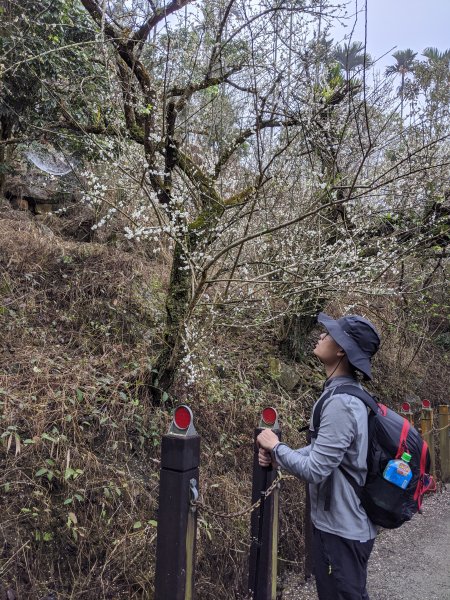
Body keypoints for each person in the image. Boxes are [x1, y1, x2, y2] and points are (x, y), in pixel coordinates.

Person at [257, 312, 381, 600]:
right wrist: (281, 457)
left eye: (329, 334)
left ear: (341, 349)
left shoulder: (341, 404)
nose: (321, 336)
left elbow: (315, 469)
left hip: (343, 530)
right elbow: (324, 452)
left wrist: (276, 447)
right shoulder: (342, 394)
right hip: (338, 525)